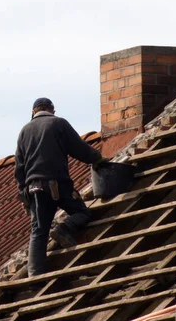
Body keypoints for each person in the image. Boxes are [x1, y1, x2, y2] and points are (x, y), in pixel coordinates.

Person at [15, 97, 106, 277]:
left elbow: (19, 167)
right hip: (58, 185)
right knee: (82, 213)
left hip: (34, 189)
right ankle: (63, 229)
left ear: (34, 112)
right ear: (52, 110)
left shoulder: (24, 131)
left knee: (38, 231)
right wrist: (98, 159)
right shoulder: (58, 124)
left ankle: (34, 275)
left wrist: (23, 194)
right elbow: (79, 149)